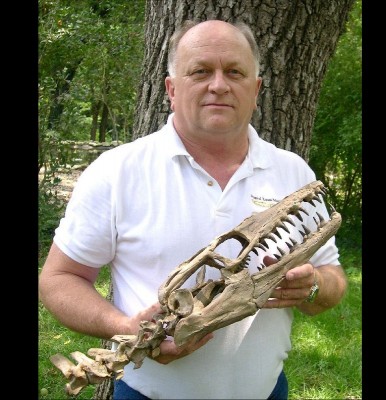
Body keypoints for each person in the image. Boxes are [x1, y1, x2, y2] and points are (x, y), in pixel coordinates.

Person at [39, 19, 348, 400]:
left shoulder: (293, 172)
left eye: (234, 72)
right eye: (200, 71)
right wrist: (127, 326)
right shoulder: (117, 171)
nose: (218, 84)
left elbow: (332, 279)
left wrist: (313, 285)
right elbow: (59, 279)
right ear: (171, 88)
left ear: (256, 90)